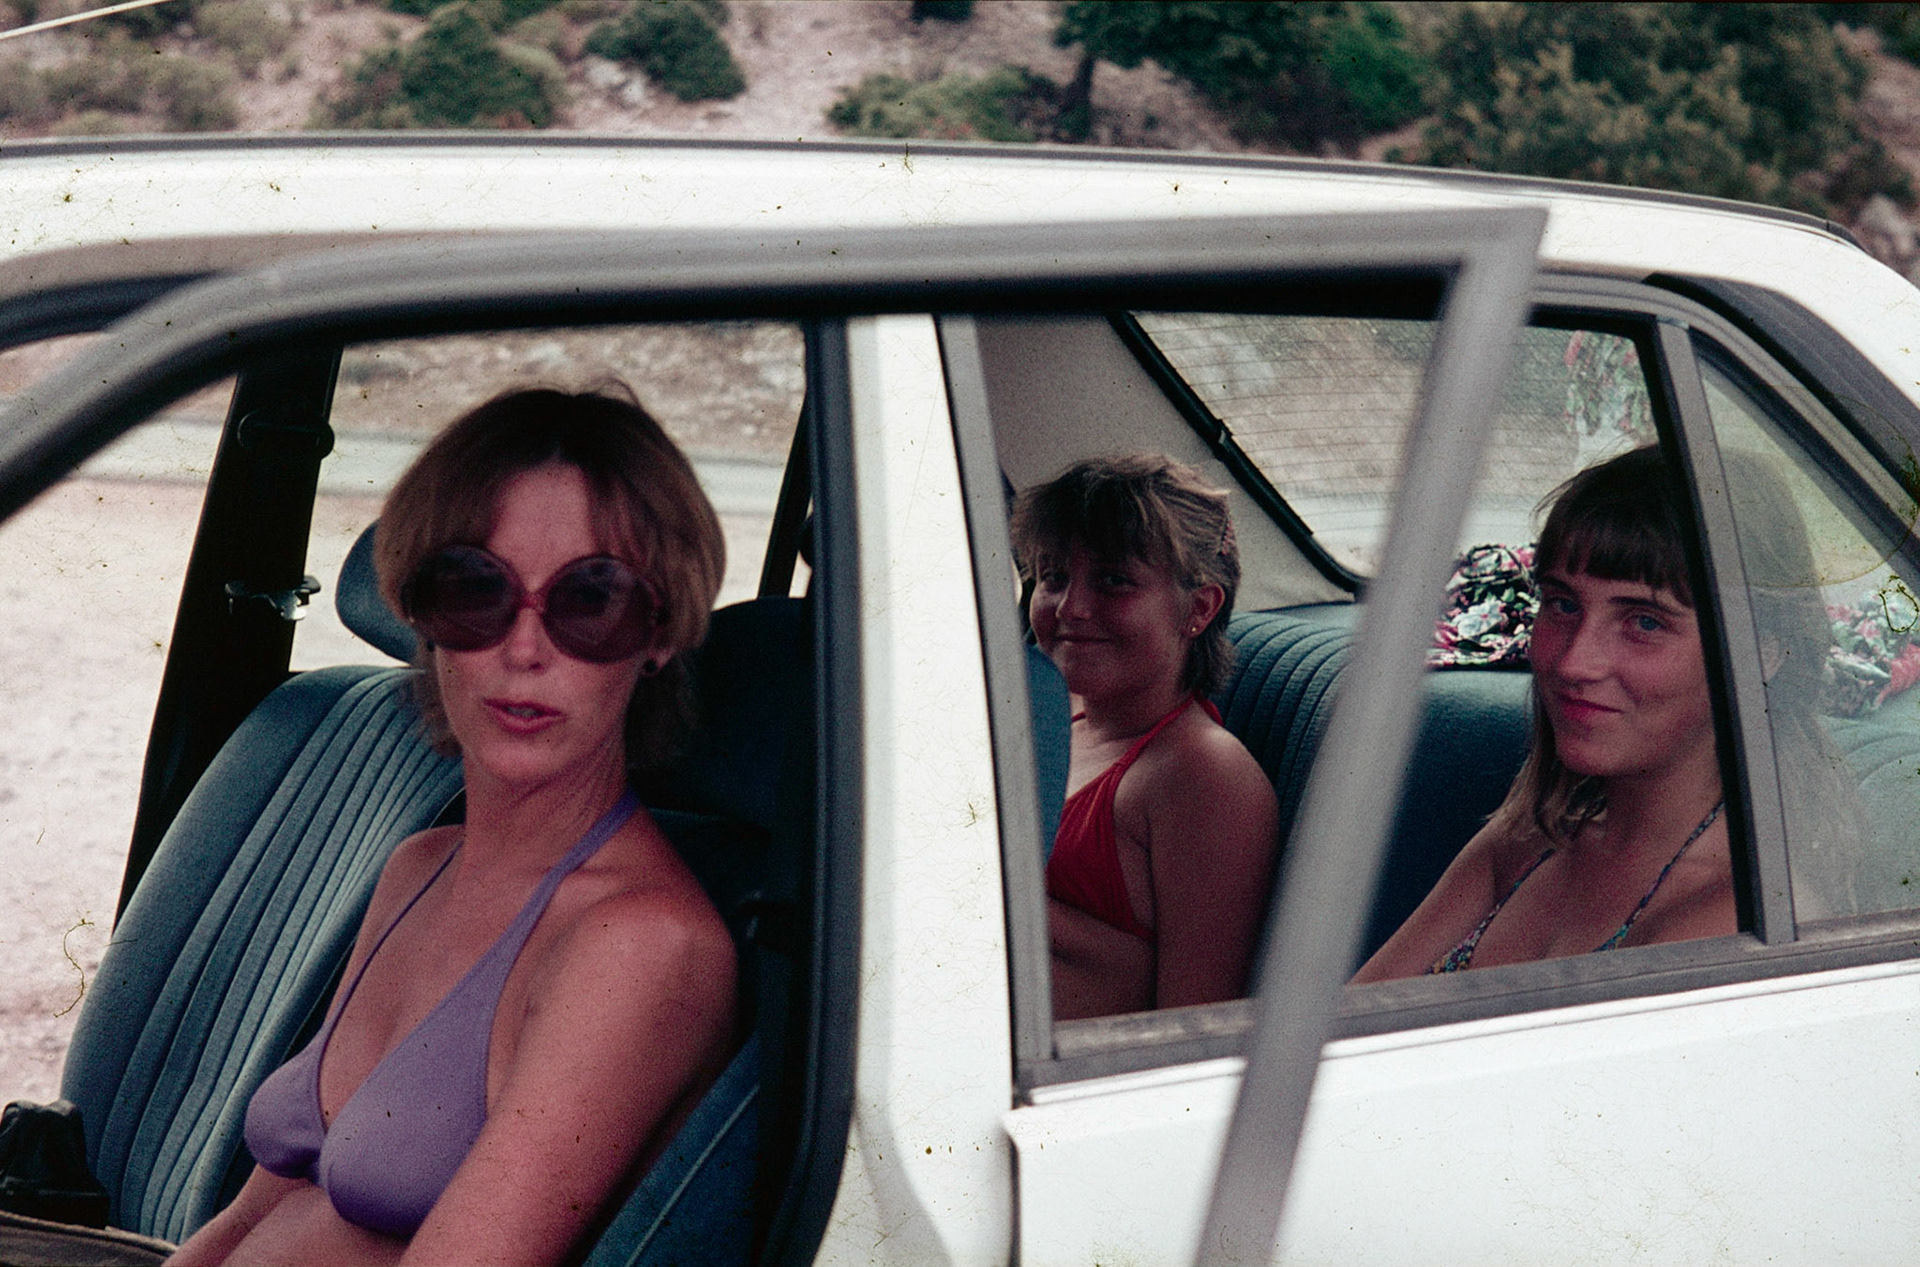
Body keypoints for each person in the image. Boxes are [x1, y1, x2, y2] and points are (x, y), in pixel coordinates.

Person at [168, 387, 737, 1266]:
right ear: (422, 613)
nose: (525, 649)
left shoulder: (642, 944)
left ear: (659, 632)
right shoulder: (420, 863)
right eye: (476, 590)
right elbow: (255, 1213)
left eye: (591, 600)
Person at [1355, 445, 1737, 983]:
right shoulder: (1528, 841)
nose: (1573, 661)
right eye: (1563, 604)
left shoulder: (1733, 917)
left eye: (1645, 622)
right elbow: (1350, 1019)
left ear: (1758, 652)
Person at [1011, 455, 1279, 1020]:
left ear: (1199, 608)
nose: (1071, 607)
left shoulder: (1203, 774)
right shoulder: (1049, 717)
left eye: (1113, 581)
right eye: (1053, 576)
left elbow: (1196, 1026)